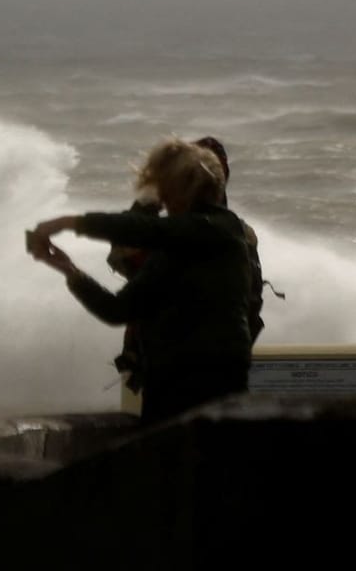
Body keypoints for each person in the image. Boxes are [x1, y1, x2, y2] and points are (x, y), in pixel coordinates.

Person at [26, 137, 258, 424]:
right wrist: (69, 270)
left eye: (166, 190)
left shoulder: (223, 228)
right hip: (167, 383)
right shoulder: (170, 250)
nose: (161, 199)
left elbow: (145, 229)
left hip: (213, 381)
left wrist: (67, 223)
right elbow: (118, 309)